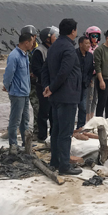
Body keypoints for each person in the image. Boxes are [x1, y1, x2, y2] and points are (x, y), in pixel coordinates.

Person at [42, 18, 82, 176]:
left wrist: (47, 87)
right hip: (67, 96)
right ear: (73, 31)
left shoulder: (54, 46)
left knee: (56, 131)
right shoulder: (69, 48)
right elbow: (64, 72)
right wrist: (51, 88)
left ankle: (55, 161)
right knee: (65, 133)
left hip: (56, 96)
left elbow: (45, 69)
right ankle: (64, 165)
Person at [2, 32, 33, 152]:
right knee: (15, 120)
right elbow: (8, 74)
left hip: (25, 92)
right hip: (17, 93)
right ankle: (13, 144)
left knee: (25, 120)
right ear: (26, 42)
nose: (33, 44)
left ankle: (26, 143)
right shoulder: (14, 56)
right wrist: (7, 86)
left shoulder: (25, 55)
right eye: (31, 42)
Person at [30, 26, 58, 142]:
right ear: (47, 38)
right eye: (54, 36)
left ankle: (53, 135)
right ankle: (42, 136)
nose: (56, 38)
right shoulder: (39, 51)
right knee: (43, 111)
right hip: (42, 85)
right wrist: (48, 76)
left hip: (54, 86)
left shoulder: (55, 49)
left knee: (53, 112)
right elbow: (36, 69)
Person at [76, 36, 95, 129]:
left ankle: (81, 126)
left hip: (84, 84)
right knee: (72, 106)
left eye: (89, 44)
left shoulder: (90, 56)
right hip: (74, 85)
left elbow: (91, 69)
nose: (88, 45)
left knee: (83, 106)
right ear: (80, 44)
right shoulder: (74, 54)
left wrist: (88, 80)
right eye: (86, 43)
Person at [84, 26, 102, 122]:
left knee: (95, 97)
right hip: (90, 75)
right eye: (93, 36)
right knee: (89, 97)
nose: (95, 38)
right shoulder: (87, 48)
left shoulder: (98, 48)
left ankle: (92, 116)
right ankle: (87, 118)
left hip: (97, 75)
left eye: (96, 36)